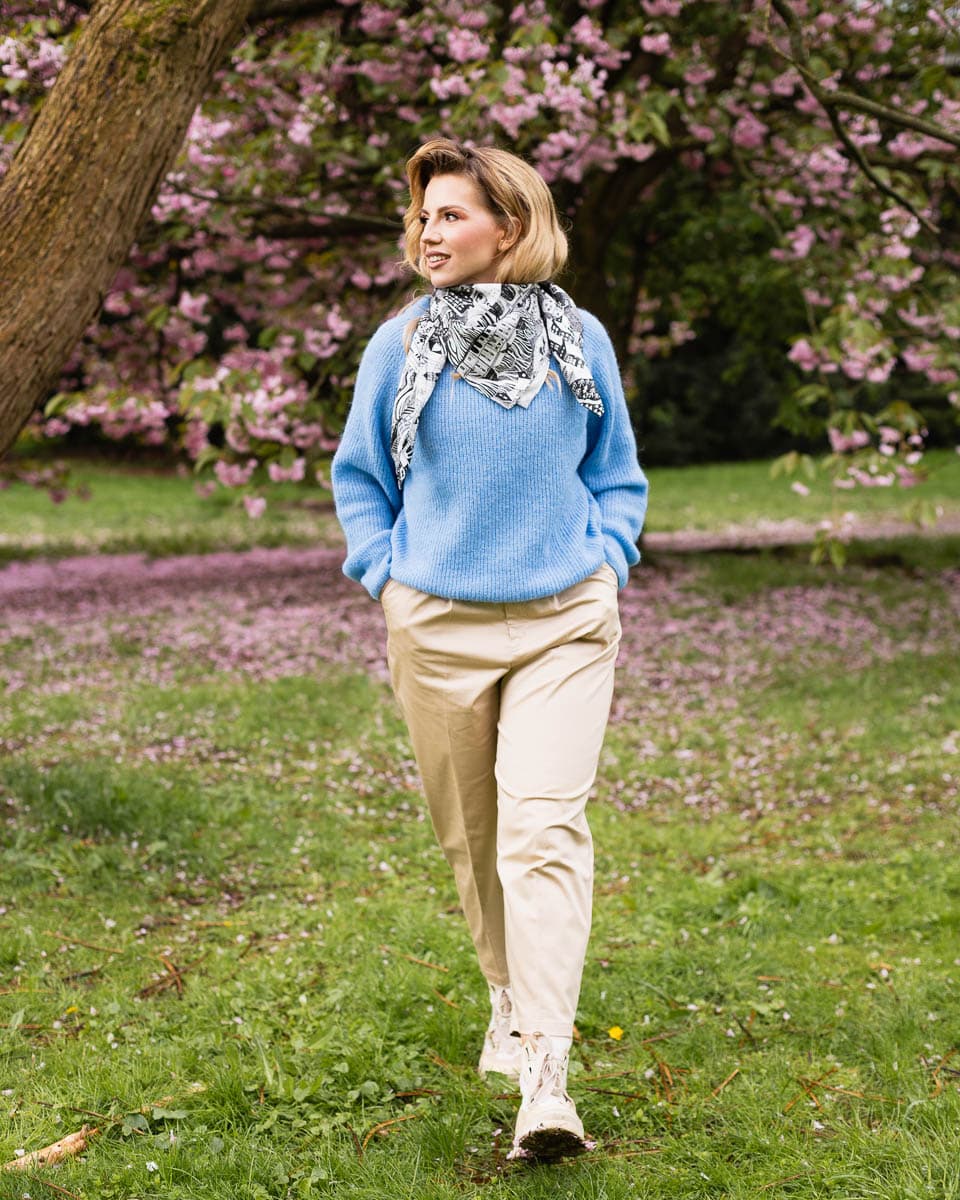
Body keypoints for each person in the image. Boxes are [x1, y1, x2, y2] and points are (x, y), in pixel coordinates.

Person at [331, 137, 648, 1163]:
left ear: (509, 227)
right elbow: (360, 479)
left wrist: (607, 559)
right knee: (474, 841)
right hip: (437, 628)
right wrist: (389, 577)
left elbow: (617, 472)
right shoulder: (397, 347)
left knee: (542, 832)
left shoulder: (579, 340)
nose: (428, 232)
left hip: (564, 620)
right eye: (423, 216)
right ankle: (508, 996)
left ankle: (547, 1080)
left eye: (451, 214)